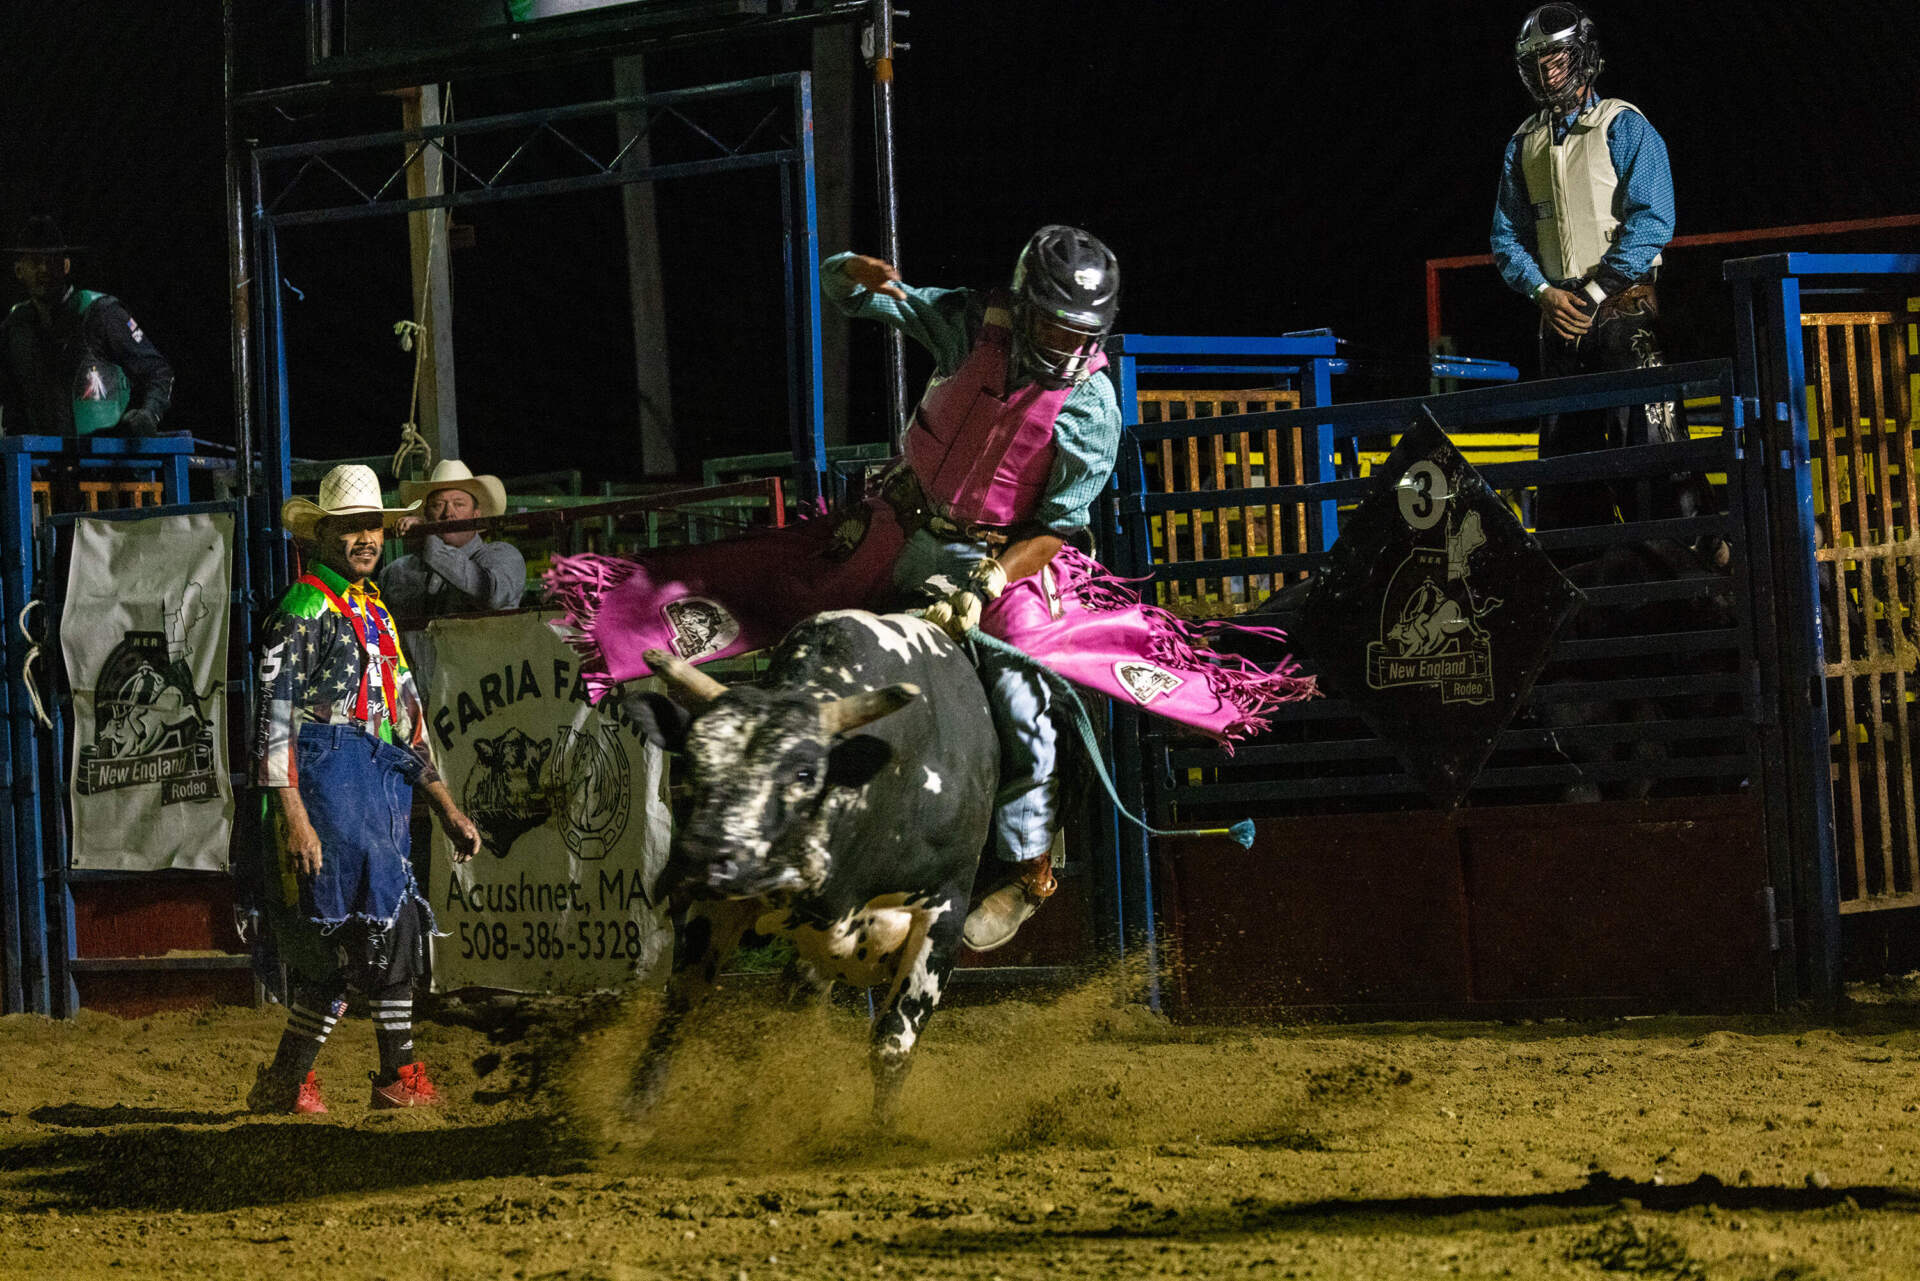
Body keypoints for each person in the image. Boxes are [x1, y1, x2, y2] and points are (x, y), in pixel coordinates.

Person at [820, 227, 1125, 952]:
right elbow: (852, 297)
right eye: (1050, 320)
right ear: (1021, 307)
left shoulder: (1091, 406)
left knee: (1022, 696)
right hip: (899, 521)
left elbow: (1057, 526)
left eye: (1076, 328)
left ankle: (1026, 866)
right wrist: (849, 271)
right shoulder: (965, 324)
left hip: (997, 557)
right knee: (803, 616)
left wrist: (988, 577)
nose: (1060, 339)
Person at [248, 463, 482, 1115]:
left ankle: (292, 1078)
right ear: (323, 535)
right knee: (374, 929)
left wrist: (446, 805)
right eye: (350, 527)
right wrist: (294, 814)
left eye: (371, 526)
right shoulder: (303, 608)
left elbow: (405, 712)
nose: (364, 538)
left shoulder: (371, 606)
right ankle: (394, 1072)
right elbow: (271, 715)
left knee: (358, 938)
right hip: (324, 775)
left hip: (375, 779)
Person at [1489, 4, 1710, 532]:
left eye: (1557, 58)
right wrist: (1543, 292)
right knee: (1566, 459)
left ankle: (1679, 558)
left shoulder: (1624, 124)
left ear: (1582, 57)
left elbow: (1655, 220)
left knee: (1652, 443)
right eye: (1538, 62)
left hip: (1624, 310)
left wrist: (1592, 292)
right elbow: (1505, 236)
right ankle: (1581, 573)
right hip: (1561, 316)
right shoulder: (1523, 142)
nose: (1548, 71)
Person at [0, 214, 173, 438]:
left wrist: (149, 414)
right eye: (34, 261)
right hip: (44, 463)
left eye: (51, 260)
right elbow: (11, 397)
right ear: (19, 271)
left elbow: (159, 371)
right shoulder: (15, 327)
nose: (43, 269)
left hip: (107, 462)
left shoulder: (101, 313)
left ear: (65, 266)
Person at [380, 458, 526, 692]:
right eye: (438, 505)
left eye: (459, 504)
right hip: (415, 702)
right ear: (426, 514)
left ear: (476, 515)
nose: (449, 513)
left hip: (484, 699)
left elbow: (489, 594)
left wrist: (429, 544)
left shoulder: (502, 557)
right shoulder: (397, 572)